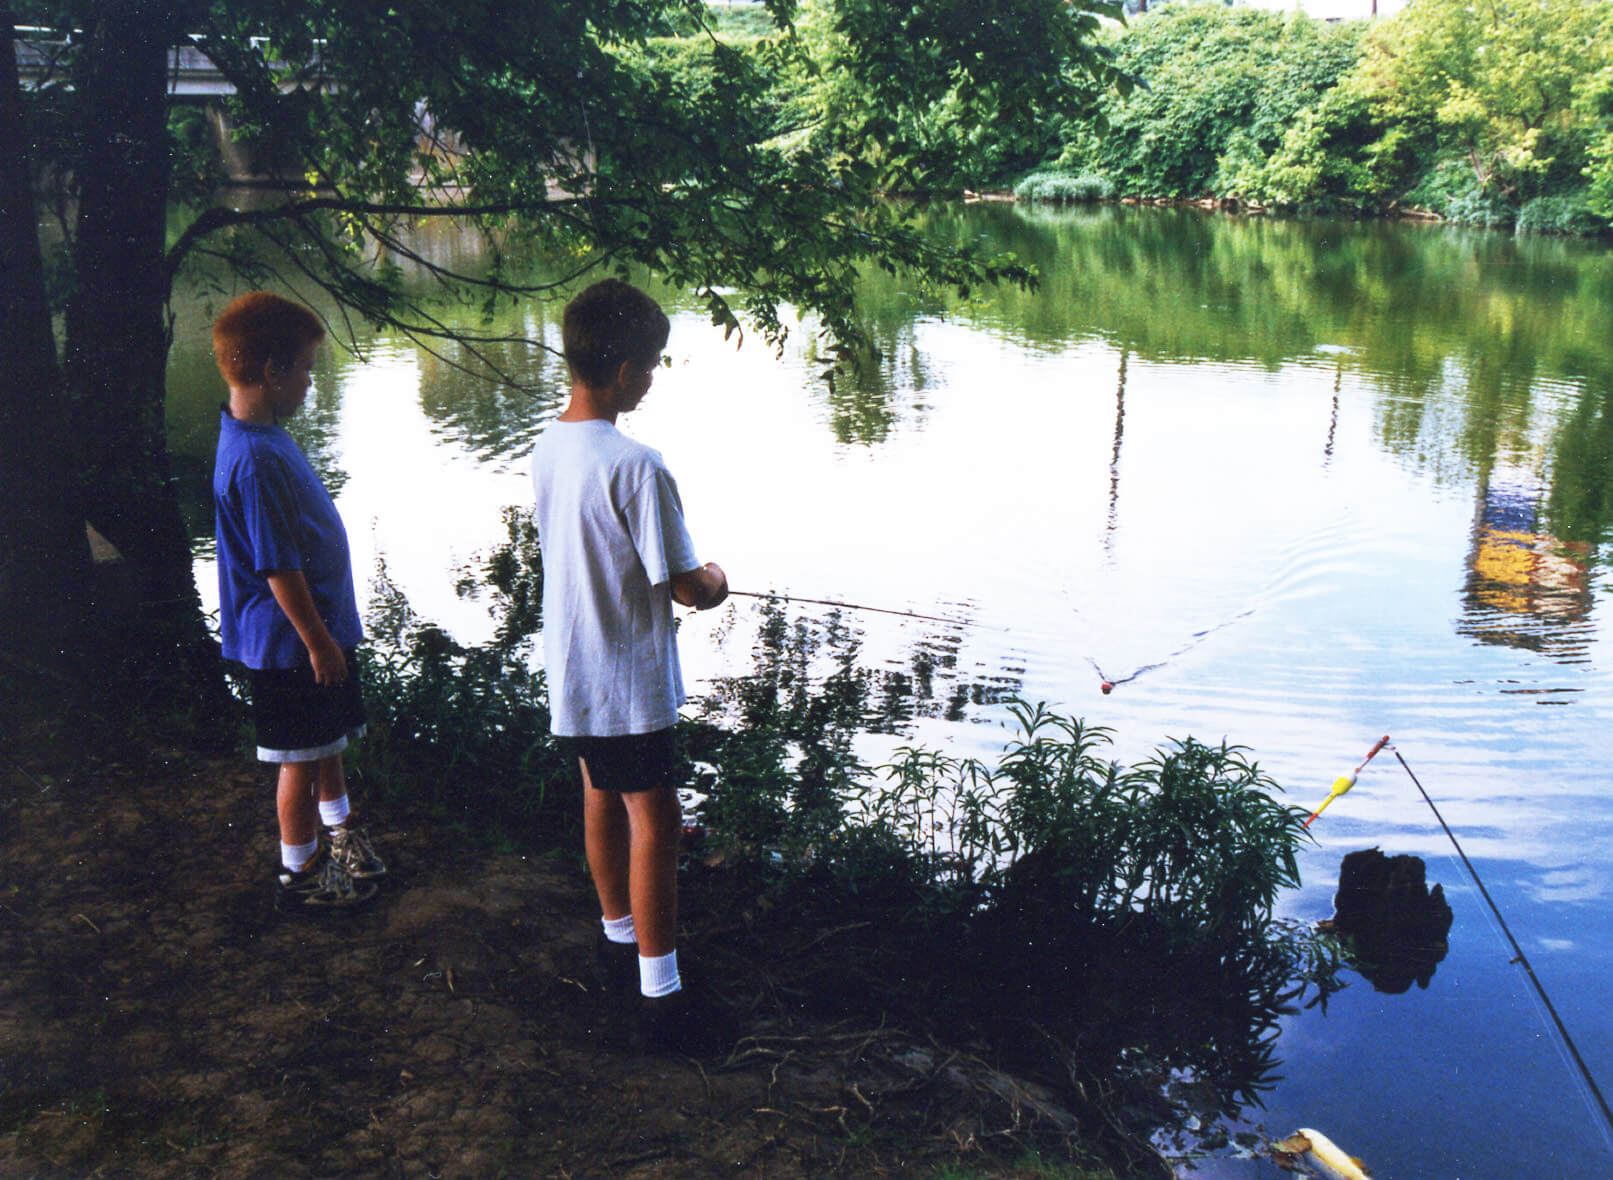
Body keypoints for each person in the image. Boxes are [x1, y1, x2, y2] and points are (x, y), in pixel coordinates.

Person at [529, 279, 728, 1049]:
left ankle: (619, 936)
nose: (651, 378)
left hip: (573, 667)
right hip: (626, 677)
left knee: (599, 794)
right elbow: (684, 584)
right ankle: (661, 994)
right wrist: (715, 579)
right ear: (618, 372)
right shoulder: (638, 464)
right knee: (657, 818)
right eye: (649, 365)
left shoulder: (549, 444)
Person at [211, 291, 387, 913]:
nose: (313, 381)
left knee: (326, 742)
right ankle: (301, 871)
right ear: (272, 372)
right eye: (308, 368)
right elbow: (278, 567)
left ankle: (340, 839)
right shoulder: (255, 459)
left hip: (316, 636)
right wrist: (318, 642)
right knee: (298, 761)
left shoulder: (260, 435)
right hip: (293, 643)